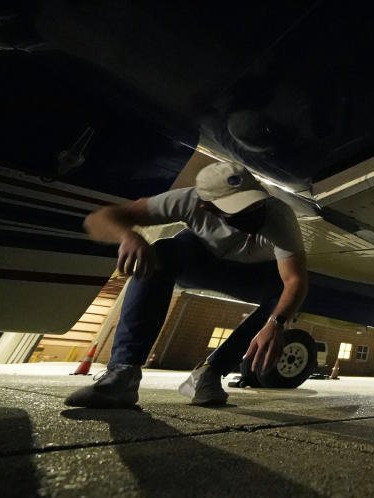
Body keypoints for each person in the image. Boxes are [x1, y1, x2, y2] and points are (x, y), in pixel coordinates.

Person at [65, 161, 308, 408]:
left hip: (249, 273)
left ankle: (209, 374)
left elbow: (295, 279)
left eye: (255, 204)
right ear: (206, 207)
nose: (253, 213)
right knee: (159, 252)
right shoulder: (189, 200)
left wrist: (276, 324)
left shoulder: (278, 215)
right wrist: (128, 236)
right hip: (199, 261)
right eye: (240, 210)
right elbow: (99, 219)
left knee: (283, 298)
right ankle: (123, 375)